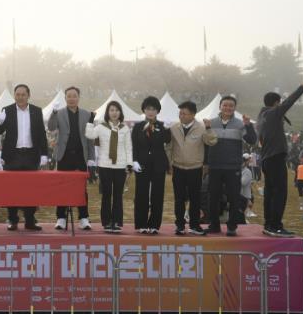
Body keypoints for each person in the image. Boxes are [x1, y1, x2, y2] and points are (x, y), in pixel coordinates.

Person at [257, 67, 303, 237]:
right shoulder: (273, 113)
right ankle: (276, 225)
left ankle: (269, 224)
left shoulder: (261, 116)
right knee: (280, 192)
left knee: (270, 192)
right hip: (275, 157)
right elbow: (290, 101)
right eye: (279, 103)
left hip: (267, 159)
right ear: (276, 103)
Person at [0, 84, 47, 231]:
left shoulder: (37, 111)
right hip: (12, 156)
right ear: (14, 95)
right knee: (11, 188)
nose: (20, 97)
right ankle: (12, 220)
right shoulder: (7, 110)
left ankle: (30, 220)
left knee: (31, 189)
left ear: (28, 95)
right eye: (17, 94)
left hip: (31, 155)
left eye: (23, 94)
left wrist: (44, 154)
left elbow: (42, 134)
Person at [205, 95, 257, 236]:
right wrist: (206, 164)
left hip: (233, 167)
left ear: (234, 108)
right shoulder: (211, 123)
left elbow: (252, 140)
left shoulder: (240, 124)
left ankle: (232, 226)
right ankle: (214, 225)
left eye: (231, 106)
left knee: (234, 197)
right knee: (213, 197)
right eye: (225, 105)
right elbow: (206, 144)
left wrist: (248, 125)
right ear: (220, 106)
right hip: (215, 166)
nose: (228, 108)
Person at [47, 86, 96, 230]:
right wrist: (53, 113)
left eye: (74, 96)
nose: (72, 99)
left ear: (79, 97)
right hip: (64, 155)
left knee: (81, 188)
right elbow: (51, 128)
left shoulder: (87, 114)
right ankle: (61, 218)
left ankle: (84, 217)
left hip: (81, 155)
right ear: (65, 98)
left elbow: (90, 138)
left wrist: (91, 157)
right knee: (62, 187)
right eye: (69, 96)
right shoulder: (59, 113)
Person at [169, 101, 217, 236]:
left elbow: (212, 141)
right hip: (178, 168)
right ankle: (179, 225)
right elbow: (169, 147)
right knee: (179, 198)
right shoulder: (174, 127)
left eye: (184, 113)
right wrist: (169, 163)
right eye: (180, 113)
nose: (181, 116)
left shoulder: (201, 128)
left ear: (193, 114)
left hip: (195, 169)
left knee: (195, 198)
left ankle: (194, 225)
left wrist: (209, 128)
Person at [85, 101, 133, 233]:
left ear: (120, 112)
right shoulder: (101, 127)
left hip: (120, 166)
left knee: (118, 195)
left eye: (117, 110)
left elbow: (128, 148)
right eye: (111, 110)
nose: (114, 113)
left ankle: (116, 222)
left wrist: (129, 164)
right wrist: (90, 120)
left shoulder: (125, 128)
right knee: (106, 195)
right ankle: (106, 222)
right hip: (104, 166)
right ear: (108, 112)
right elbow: (89, 135)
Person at [131, 96, 171, 234]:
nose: (151, 112)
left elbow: (167, 141)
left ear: (158, 111)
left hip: (158, 164)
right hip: (141, 164)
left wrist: (168, 129)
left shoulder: (162, 126)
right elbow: (134, 145)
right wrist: (134, 161)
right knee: (141, 193)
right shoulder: (137, 127)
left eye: (154, 109)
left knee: (157, 194)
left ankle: (154, 224)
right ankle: (141, 224)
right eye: (148, 109)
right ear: (144, 110)